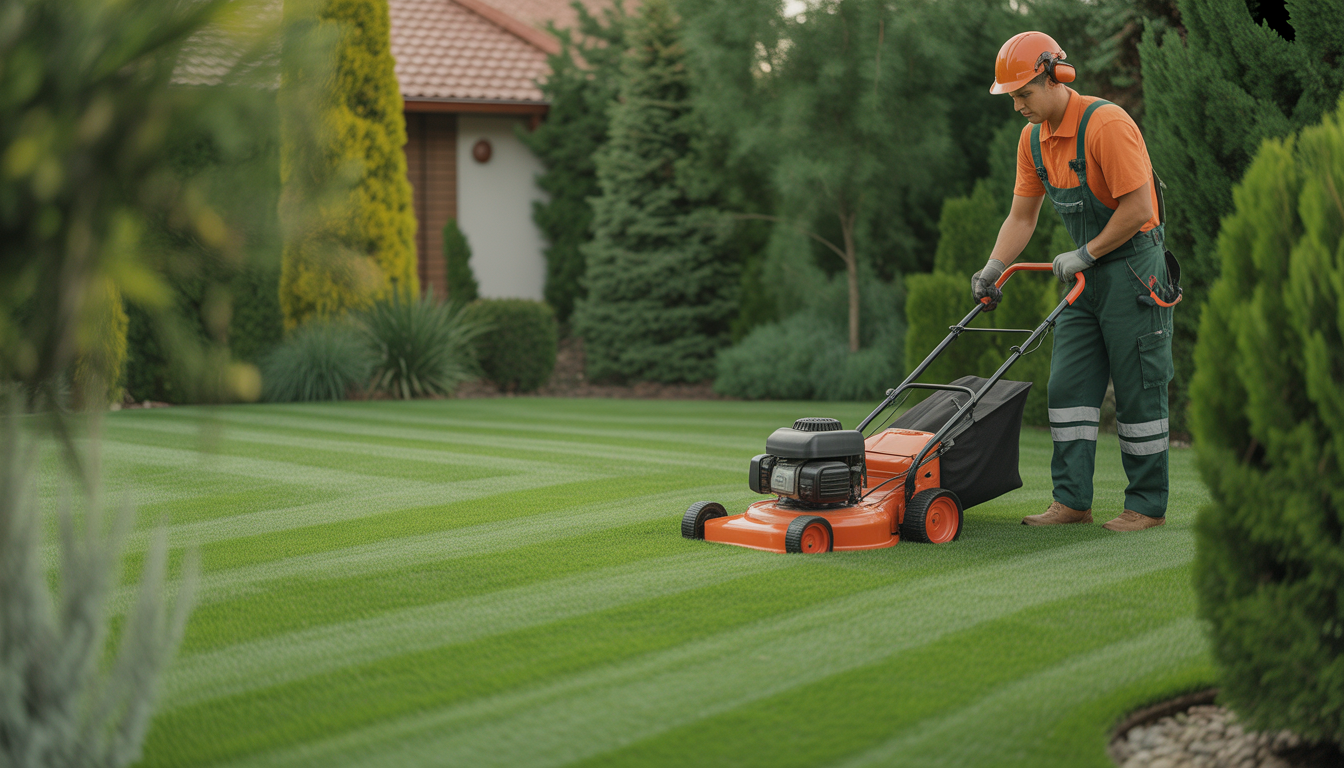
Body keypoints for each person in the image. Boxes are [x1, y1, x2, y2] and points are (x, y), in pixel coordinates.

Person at [972, 31, 1175, 533]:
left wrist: (1086, 252)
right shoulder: (1032, 141)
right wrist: (993, 269)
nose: (1018, 106)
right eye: (1013, 97)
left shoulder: (1104, 124)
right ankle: (1072, 501)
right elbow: (1022, 217)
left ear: (1055, 77)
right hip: (1085, 282)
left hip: (1134, 272)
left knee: (1138, 393)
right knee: (1068, 388)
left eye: (1024, 94)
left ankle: (1146, 506)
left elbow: (1140, 208)